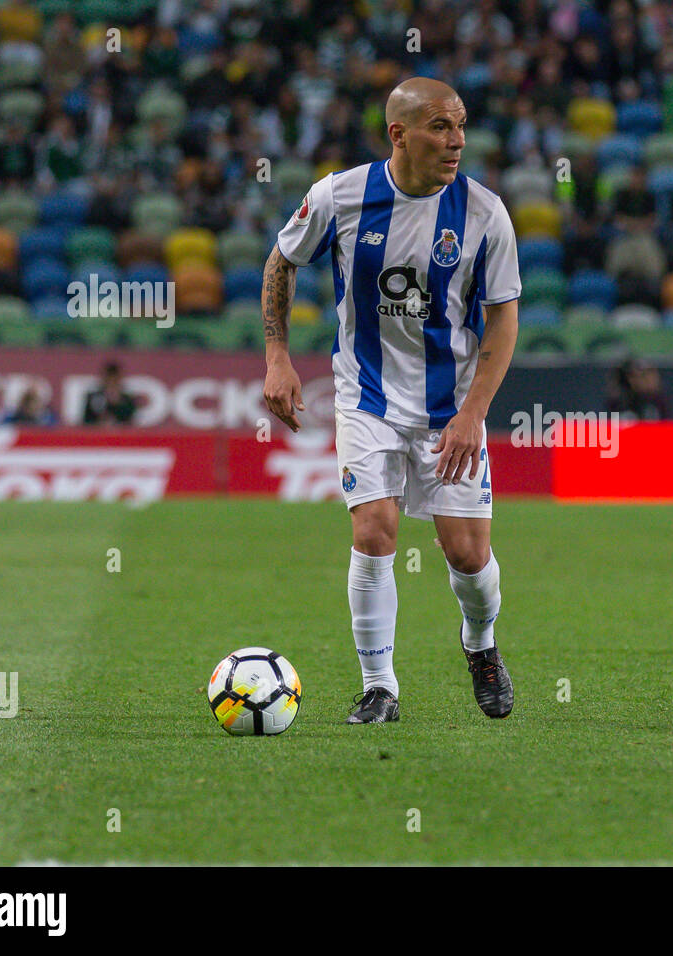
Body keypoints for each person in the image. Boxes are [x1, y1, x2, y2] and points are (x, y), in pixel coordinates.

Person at [261, 77, 519, 725]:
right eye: (440, 126)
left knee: (466, 555)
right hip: (366, 398)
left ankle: (481, 645)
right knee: (373, 532)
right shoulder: (340, 195)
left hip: (449, 408)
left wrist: (471, 414)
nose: (457, 140)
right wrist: (277, 356)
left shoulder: (485, 213)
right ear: (398, 133)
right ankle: (380, 688)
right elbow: (281, 260)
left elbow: (503, 320)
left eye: (461, 126)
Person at [606, 358, 671, 420]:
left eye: (650, 374)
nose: (648, 380)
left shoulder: (660, 402)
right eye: (642, 376)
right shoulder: (620, 404)